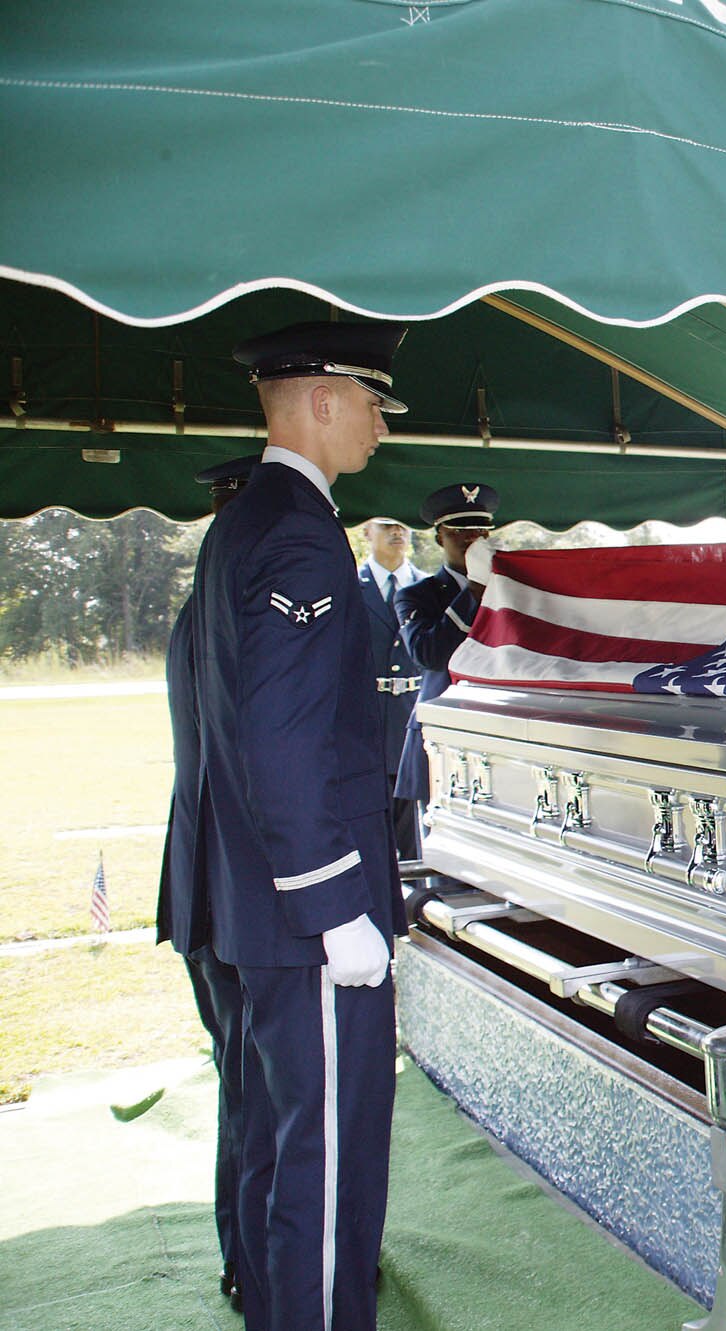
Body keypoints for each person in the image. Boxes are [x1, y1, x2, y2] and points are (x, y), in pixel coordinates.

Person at [188, 320, 411, 1331]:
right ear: (321, 400)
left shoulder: (246, 521)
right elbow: (282, 741)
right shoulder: (299, 533)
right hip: (304, 914)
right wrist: (334, 906)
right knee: (325, 1160)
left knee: (280, 1141)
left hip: (252, 901)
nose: (379, 423)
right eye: (371, 400)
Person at [158, 452, 261, 1313]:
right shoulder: (230, 613)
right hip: (237, 890)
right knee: (256, 1085)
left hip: (206, 881)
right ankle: (252, 1253)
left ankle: (245, 1245)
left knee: (244, 1077)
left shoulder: (200, 610)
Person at [392, 483, 497, 818]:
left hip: (496, 733)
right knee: (445, 859)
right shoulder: (416, 595)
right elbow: (428, 653)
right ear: (439, 536)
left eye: (480, 530)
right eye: (460, 530)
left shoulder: (508, 589)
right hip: (440, 738)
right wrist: (472, 595)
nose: (472, 538)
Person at [356, 518, 422, 860]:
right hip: (365, 725)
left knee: (415, 836)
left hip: (414, 720)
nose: (398, 532)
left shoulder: (428, 588)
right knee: (368, 835)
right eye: (386, 526)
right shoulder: (350, 587)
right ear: (367, 532)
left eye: (402, 526)